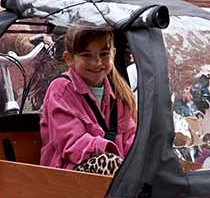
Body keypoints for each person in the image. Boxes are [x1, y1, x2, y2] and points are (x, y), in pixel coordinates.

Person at [40, 28, 138, 172]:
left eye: (104, 54)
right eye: (86, 55)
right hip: (66, 174)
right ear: (69, 59)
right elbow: (71, 143)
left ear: (113, 54)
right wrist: (110, 150)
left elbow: (130, 137)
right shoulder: (61, 89)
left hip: (118, 175)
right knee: (108, 162)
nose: (97, 63)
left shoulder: (119, 93)